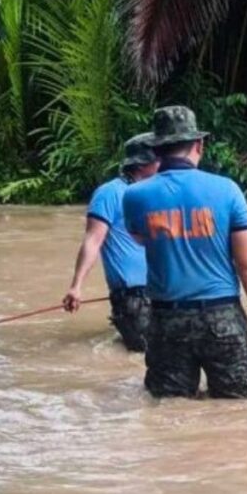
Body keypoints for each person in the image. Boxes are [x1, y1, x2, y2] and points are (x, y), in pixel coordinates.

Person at [123, 106, 247, 399]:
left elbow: (142, 240)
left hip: (167, 320)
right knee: (240, 407)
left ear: (157, 150)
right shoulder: (227, 190)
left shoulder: (134, 196)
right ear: (199, 145)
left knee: (170, 410)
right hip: (223, 318)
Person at [63, 133, 159, 351]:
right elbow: (92, 241)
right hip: (133, 298)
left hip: (160, 292)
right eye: (159, 159)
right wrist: (76, 287)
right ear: (143, 165)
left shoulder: (155, 193)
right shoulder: (110, 193)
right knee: (146, 354)